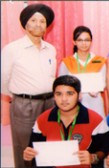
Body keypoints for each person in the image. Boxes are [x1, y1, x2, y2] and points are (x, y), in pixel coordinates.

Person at [1, 4, 56, 168]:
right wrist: (19, 97)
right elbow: (3, 78)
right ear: (25, 24)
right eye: (34, 20)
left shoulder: (51, 49)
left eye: (43, 21)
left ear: (47, 26)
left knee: (48, 145)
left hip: (50, 103)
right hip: (24, 105)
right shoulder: (12, 49)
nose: (38, 24)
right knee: (25, 148)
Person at [23, 75, 109, 168]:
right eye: (59, 94)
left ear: (79, 95)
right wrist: (29, 155)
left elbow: (105, 150)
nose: (64, 99)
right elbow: (33, 152)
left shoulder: (95, 120)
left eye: (70, 93)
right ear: (54, 96)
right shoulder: (43, 119)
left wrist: (93, 157)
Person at [58, 26, 107, 117]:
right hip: (73, 102)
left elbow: (103, 81)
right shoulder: (67, 62)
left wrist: (96, 89)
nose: (84, 43)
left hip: (94, 101)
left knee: (97, 127)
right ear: (74, 42)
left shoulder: (100, 61)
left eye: (87, 40)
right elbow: (61, 84)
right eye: (80, 40)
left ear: (91, 41)